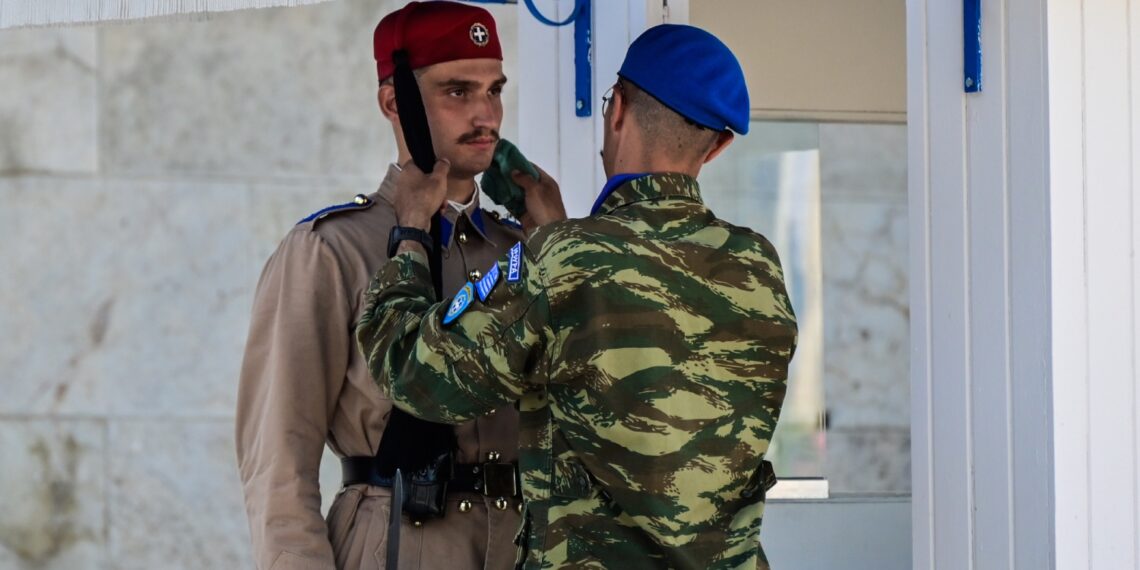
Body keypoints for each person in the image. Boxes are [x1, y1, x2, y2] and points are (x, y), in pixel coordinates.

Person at [355, 23, 798, 570]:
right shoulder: (758, 265)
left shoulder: (563, 261)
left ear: (618, 110)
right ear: (720, 144)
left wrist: (412, 235)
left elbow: (412, 372)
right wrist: (558, 235)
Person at [235, 2, 561, 568]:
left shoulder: (519, 249)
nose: (486, 114)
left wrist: (558, 247)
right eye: (458, 91)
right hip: (395, 534)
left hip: (517, 543)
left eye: (495, 90)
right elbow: (278, 459)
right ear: (394, 102)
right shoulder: (333, 248)